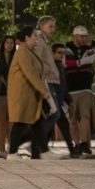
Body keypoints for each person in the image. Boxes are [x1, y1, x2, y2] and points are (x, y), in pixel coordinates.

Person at [7, 26, 51, 159]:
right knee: (20, 122)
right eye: (34, 35)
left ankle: (44, 151)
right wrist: (43, 91)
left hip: (29, 93)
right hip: (23, 94)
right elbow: (30, 73)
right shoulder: (23, 52)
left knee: (36, 122)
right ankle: (12, 153)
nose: (37, 38)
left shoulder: (28, 51)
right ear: (26, 38)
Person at [64, 25, 95, 155]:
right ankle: (76, 144)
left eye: (86, 36)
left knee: (85, 117)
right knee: (73, 119)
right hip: (70, 89)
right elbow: (65, 63)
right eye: (81, 36)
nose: (84, 38)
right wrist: (81, 62)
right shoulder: (66, 48)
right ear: (74, 36)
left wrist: (92, 43)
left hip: (86, 88)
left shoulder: (90, 48)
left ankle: (84, 144)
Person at [34, 16, 60, 155]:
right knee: (54, 113)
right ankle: (38, 145)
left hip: (49, 80)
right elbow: (37, 61)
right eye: (50, 26)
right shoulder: (38, 39)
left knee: (51, 114)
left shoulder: (44, 40)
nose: (53, 29)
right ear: (42, 25)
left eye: (54, 26)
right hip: (45, 82)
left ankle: (40, 146)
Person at [51, 43, 80, 158]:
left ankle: (71, 148)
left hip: (57, 101)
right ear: (52, 53)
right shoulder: (52, 66)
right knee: (55, 125)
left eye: (63, 53)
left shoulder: (60, 66)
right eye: (59, 53)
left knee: (62, 125)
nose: (62, 55)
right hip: (51, 101)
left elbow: (63, 87)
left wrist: (69, 101)